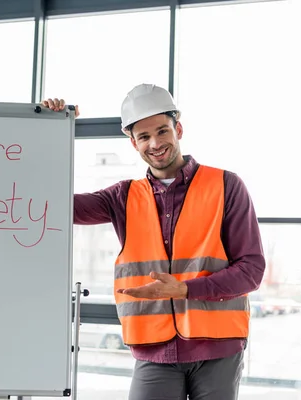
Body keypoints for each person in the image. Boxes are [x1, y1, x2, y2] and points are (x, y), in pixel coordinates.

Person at [42, 84, 265, 400]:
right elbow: (56, 202)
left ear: (179, 129)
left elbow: (252, 270)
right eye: (144, 136)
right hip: (154, 350)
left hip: (218, 346)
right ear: (133, 143)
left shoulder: (226, 185)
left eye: (163, 131)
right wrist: (51, 132)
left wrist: (186, 289)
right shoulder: (122, 197)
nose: (156, 143)